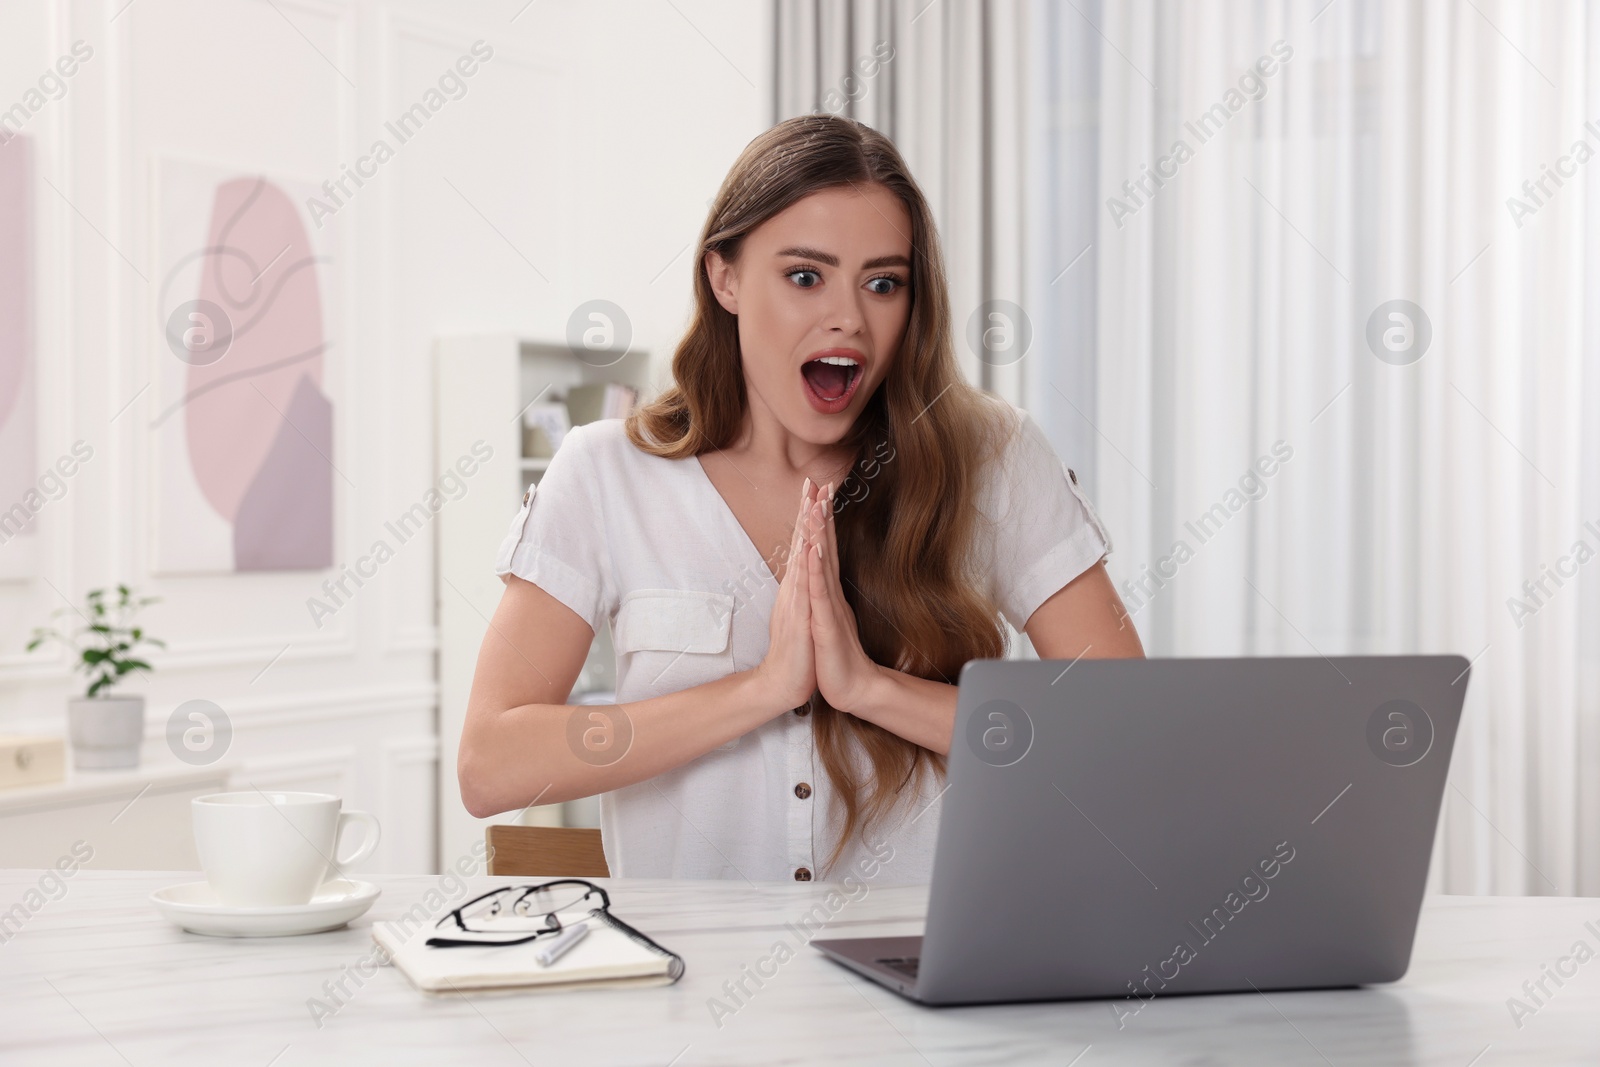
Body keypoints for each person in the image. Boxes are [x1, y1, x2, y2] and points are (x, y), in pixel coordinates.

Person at [459, 113, 1144, 884]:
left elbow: (1122, 738)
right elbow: (490, 766)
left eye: (883, 283)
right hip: (689, 987)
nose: (848, 317)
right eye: (805, 276)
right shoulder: (605, 472)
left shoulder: (996, 458)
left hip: (926, 984)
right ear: (725, 277)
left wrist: (872, 688)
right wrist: (761, 690)